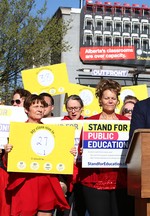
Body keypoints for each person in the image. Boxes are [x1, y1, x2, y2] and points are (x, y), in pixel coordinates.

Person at [4, 94, 70, 215]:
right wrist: (7, 152)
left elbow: (59, 157)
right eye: (35, 106)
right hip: (26, 183)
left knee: (46, 213)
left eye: (42, 106)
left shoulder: (53, 132)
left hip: (46, 182)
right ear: (26, 109)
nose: (40, 109)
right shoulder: (18, 131)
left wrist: (69, 153)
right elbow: (8, 162)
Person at [77, 79, 133, 216]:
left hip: (121, 180)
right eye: (106, 98)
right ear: (100, 100)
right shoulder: (90, 122)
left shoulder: (126, 122)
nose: (110, 101)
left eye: (113, 98)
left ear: (117, 100)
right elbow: (81, 147)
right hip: (94, 180)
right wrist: (83, 152)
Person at [57, 94, 86, 216]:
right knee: (62, 208)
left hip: (82, 172)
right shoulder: (59, 124)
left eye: (76, 108)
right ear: (66, 108)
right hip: (64, 173)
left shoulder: (88, 124)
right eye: (70, 108)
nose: (73, 111)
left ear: (82, 108)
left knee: (79, 208)